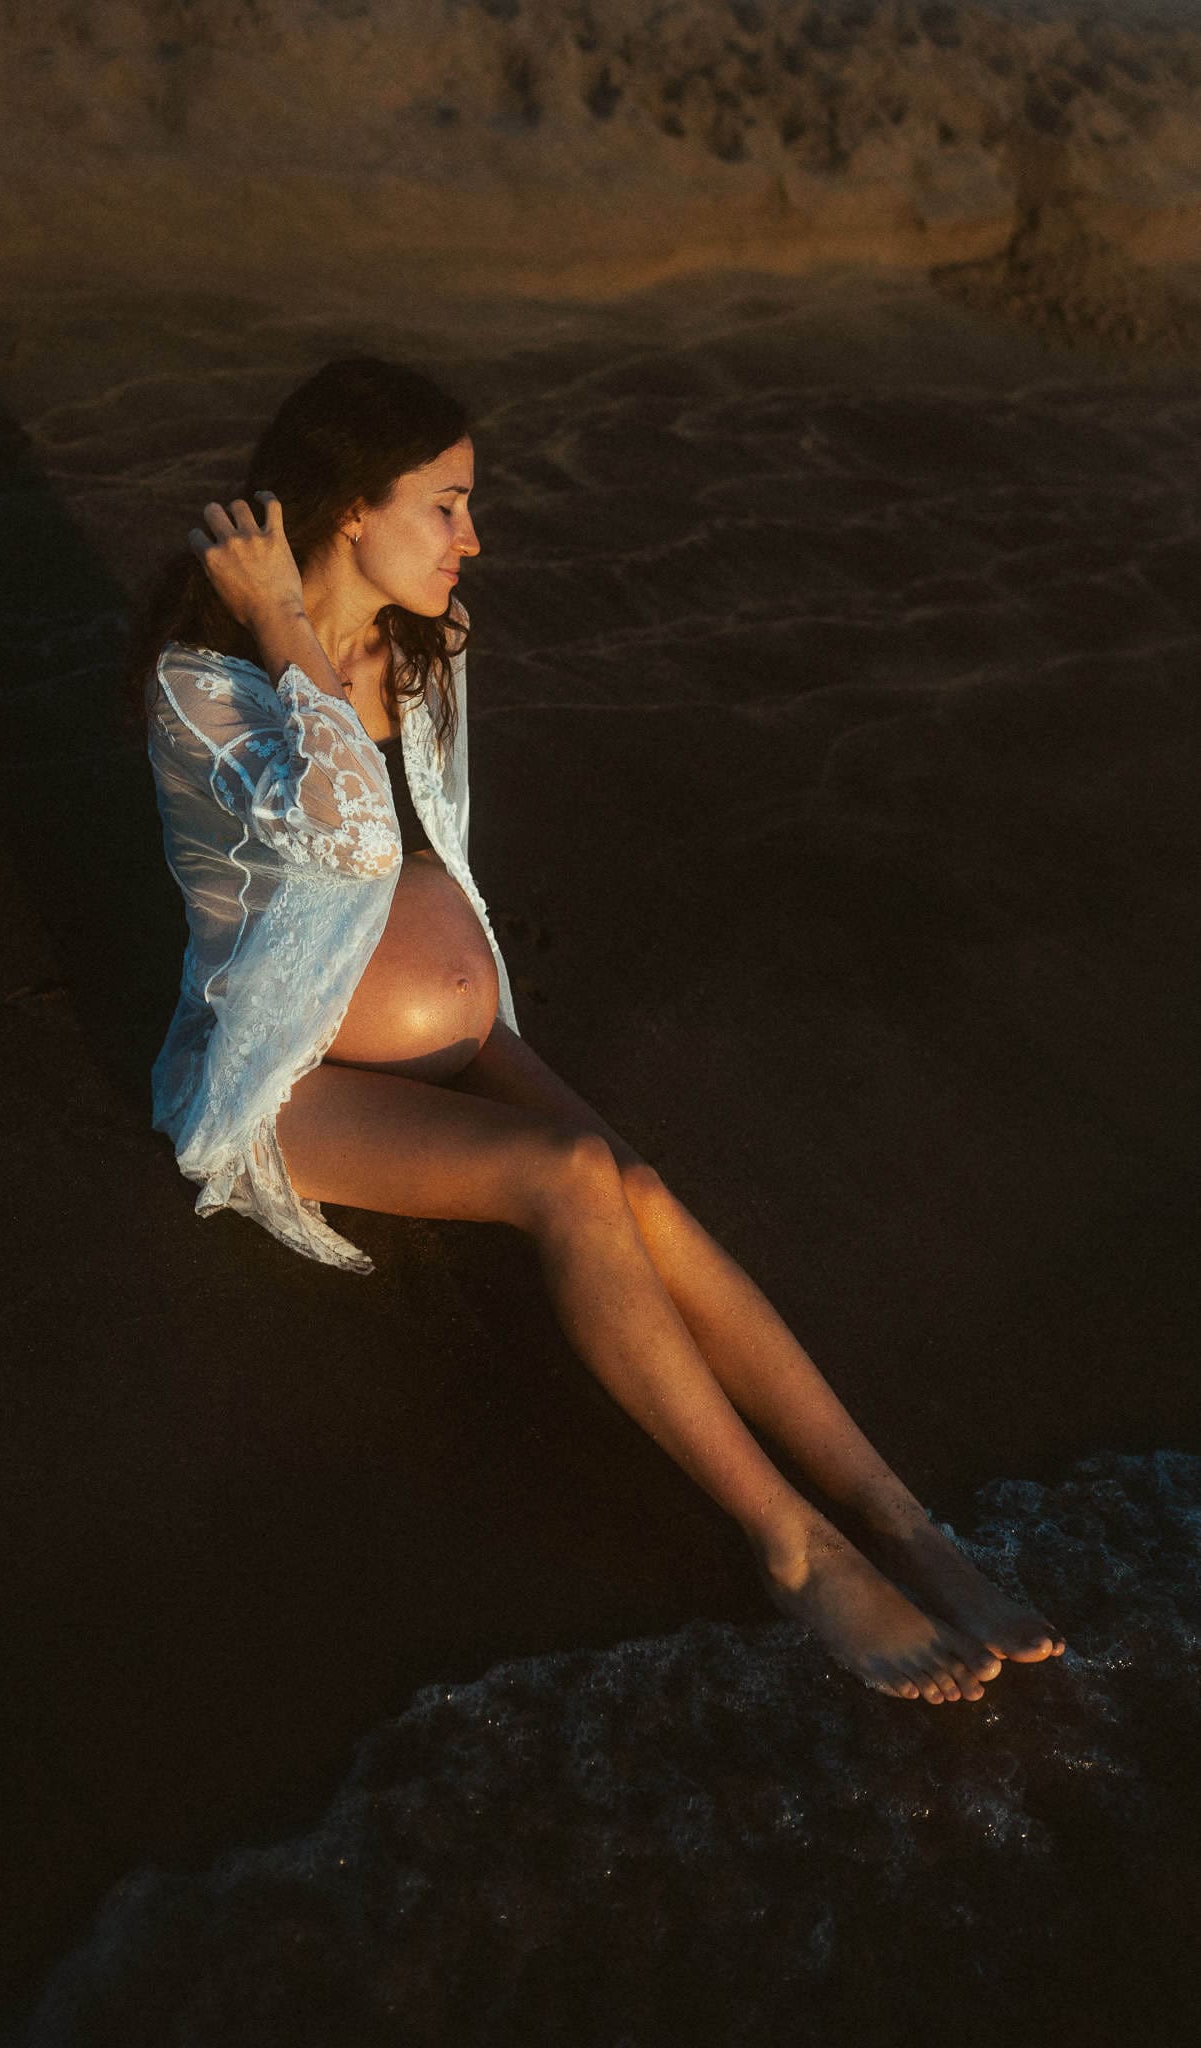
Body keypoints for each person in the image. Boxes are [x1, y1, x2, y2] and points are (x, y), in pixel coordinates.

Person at [132, 356, 1065, 1706]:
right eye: (445, 507)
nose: (473, 540)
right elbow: (343, 840)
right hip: (294, 1076)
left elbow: (425, 846)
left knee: (643, 1192)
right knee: (569, 1184)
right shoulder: (202, 689)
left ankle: (906, 1524)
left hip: (464, 1029)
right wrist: (283, 627)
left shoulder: (417, 648)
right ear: (351, 512)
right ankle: (791, 1548)